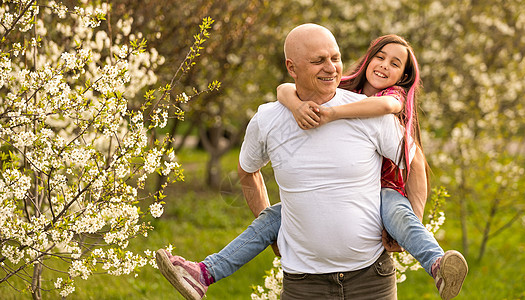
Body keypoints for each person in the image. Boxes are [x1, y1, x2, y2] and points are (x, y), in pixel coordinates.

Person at [155, 25, 466, 300]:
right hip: (304, 285)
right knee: (273, 217)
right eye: (319, 60)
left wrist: (412, 222)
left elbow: (414, 161)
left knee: (392, 204)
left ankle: (436, 264)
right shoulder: (270, 118)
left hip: (373, 279)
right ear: (292, 67)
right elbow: (248, 170)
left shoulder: (373, 111)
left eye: (335, 58)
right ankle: (203, 274)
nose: (330, 68)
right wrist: (272, 227)